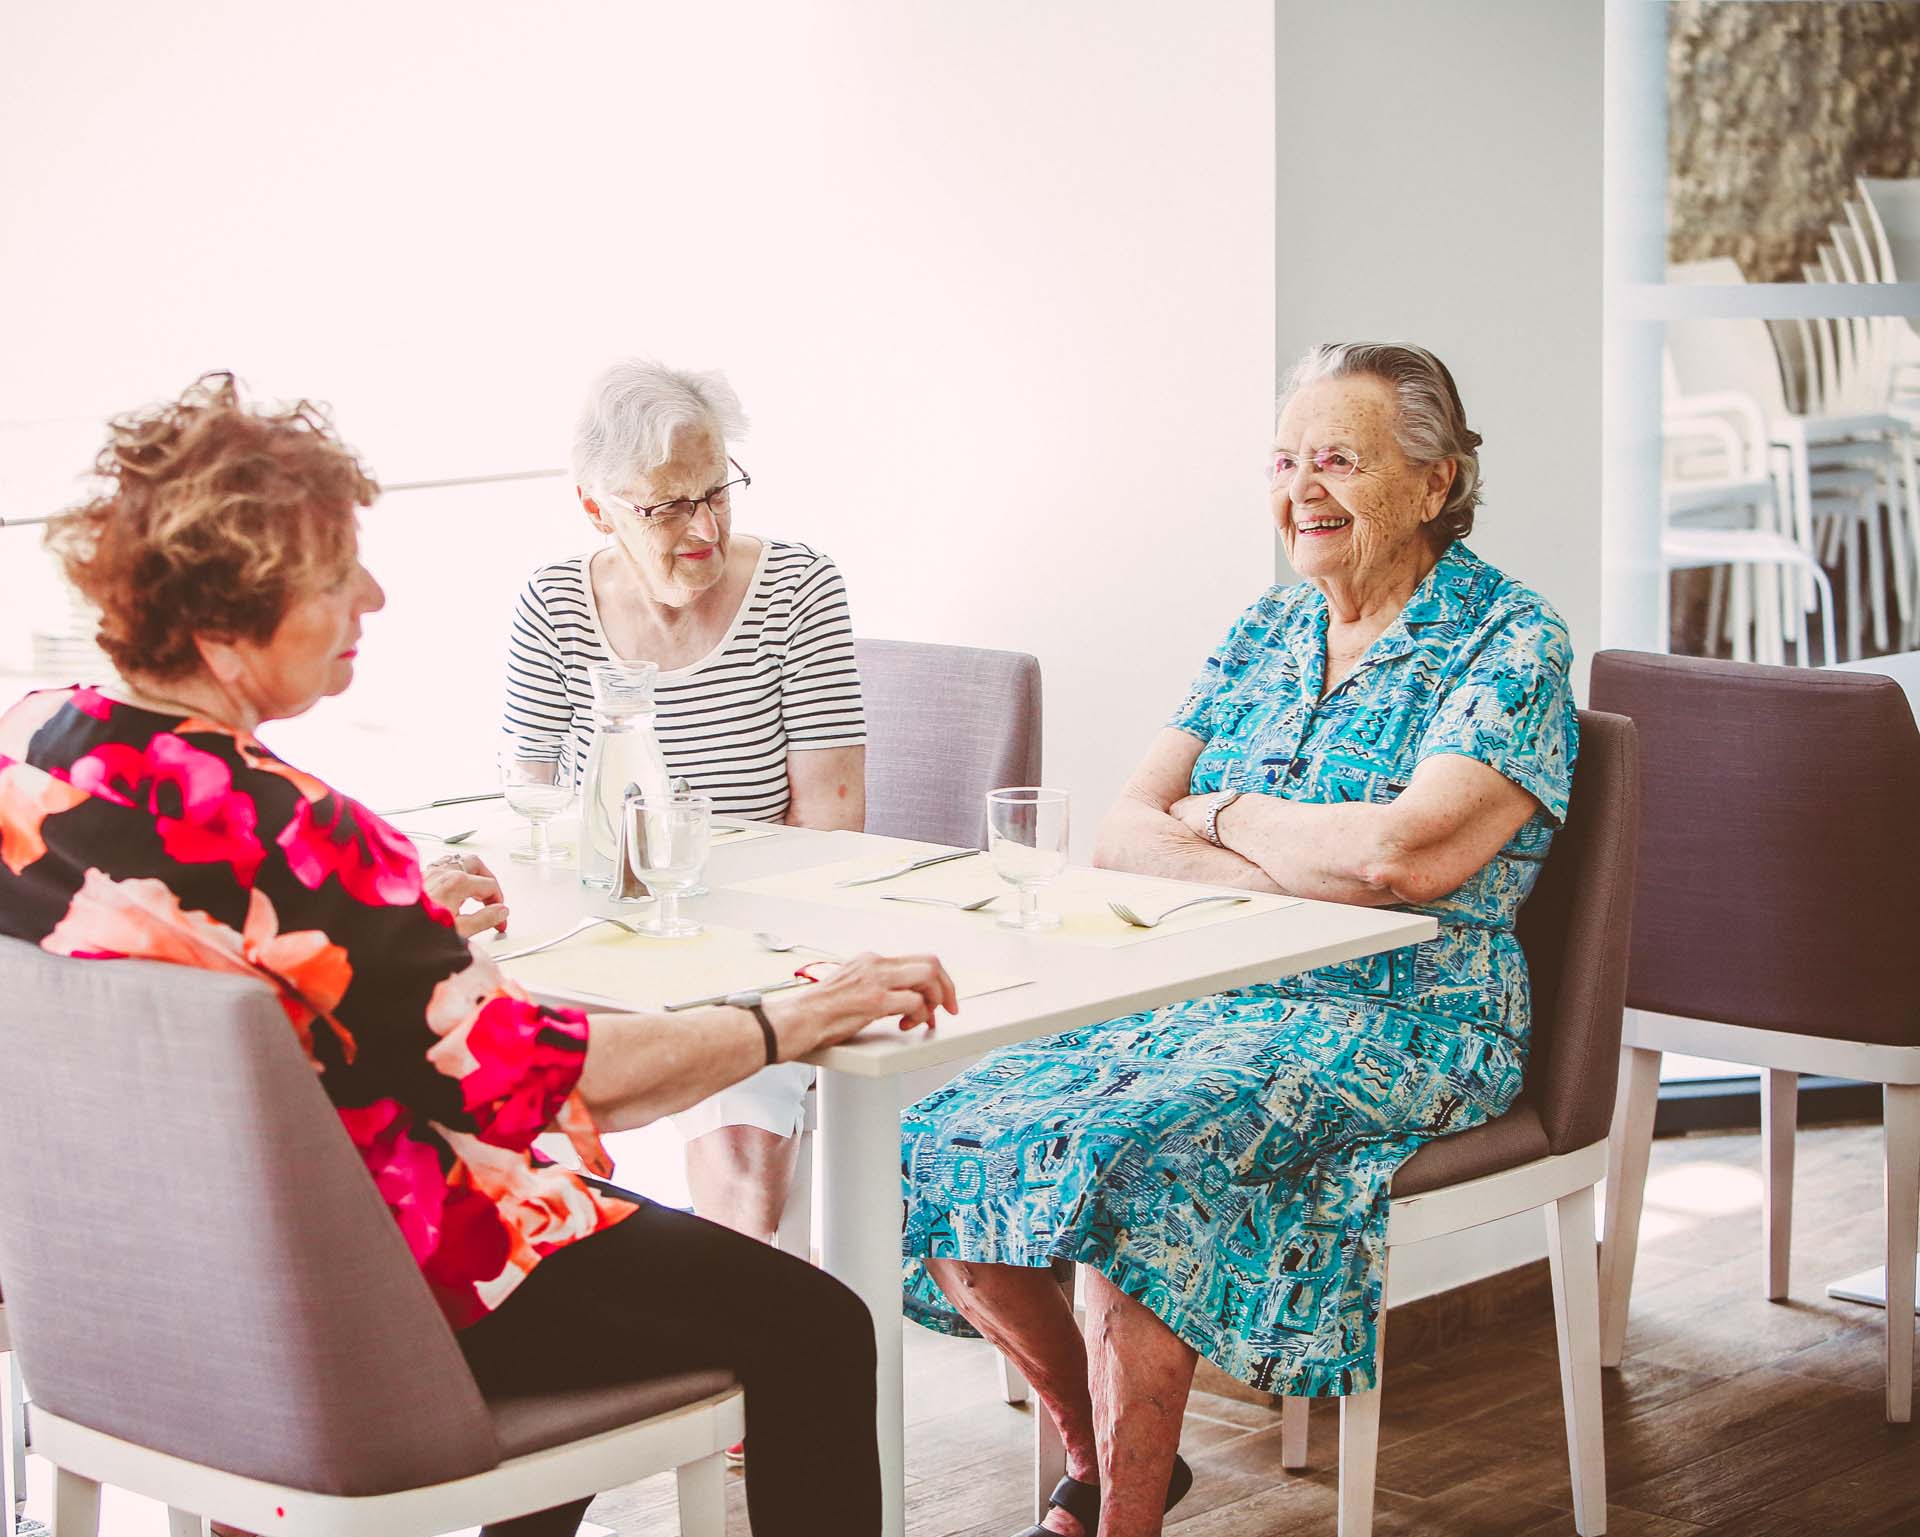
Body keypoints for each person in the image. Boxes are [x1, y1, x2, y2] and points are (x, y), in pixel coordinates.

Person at [0, 373, 955, 1537]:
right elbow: (561, 1079)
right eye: (334, 572)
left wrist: (404, 940)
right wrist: (788, 1022)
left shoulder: (28, 751)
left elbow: (194, 966)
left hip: (137, 1295)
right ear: (229, 615)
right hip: (369, 1303)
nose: (376, 594)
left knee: (618, 1261)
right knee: (812, 1320)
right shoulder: (306, 833)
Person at [898, 343, 1579, 1537]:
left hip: (1411, 1013)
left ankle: (1127, 1523)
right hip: (1208, 993)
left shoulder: (1509, 641)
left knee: (1133, 1157)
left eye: (1340, 459)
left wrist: (1221, 814)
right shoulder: (1266, 627)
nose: (1302, 488)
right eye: (1286, 459)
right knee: (937, 1131)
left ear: (1435, 483)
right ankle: (1092, 1463)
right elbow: (1120, 832)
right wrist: (1289, 846)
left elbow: (1401, 860)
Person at [502, 358, 862, 1244]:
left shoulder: (798, 589)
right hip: (595, 941)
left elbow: (832, 826)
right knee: (500, 1102)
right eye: (668, 507)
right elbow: (530, 812)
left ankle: (752, 1350)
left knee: (738, 1148)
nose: (704, 527)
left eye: (717, 492)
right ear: (597, 508)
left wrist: (717, 955)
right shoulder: (553, 606)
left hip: (751, 947)